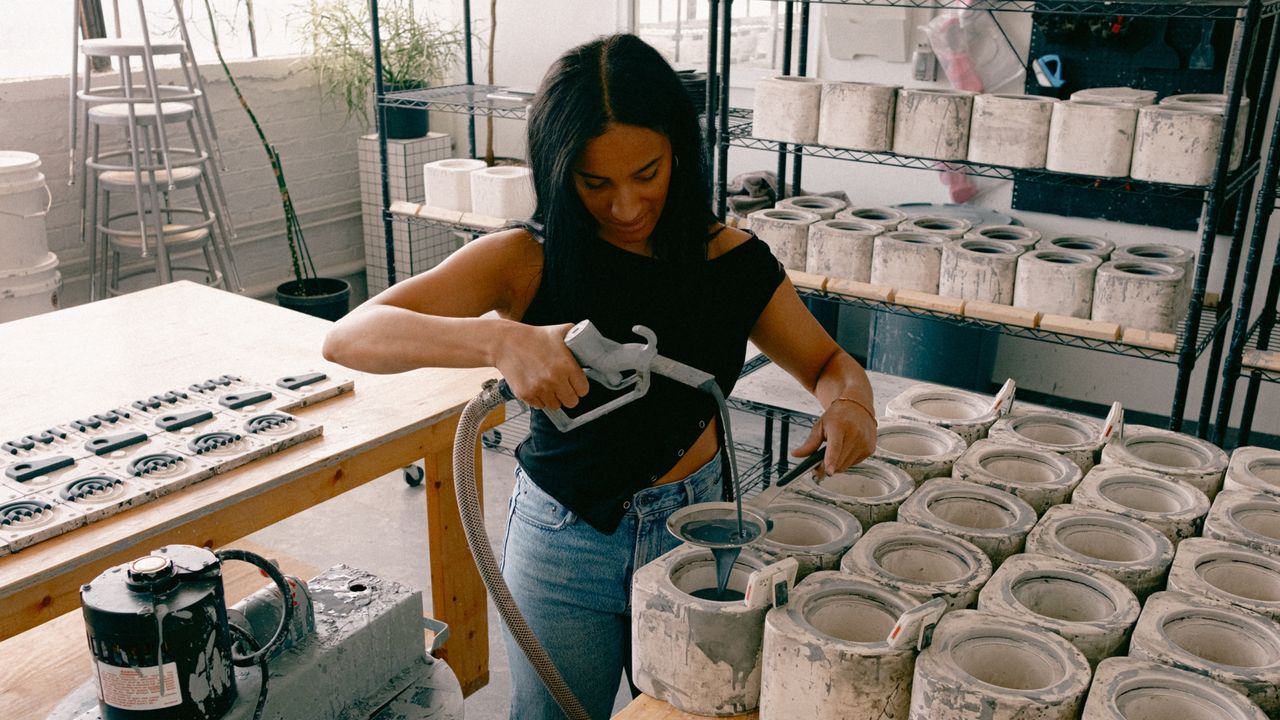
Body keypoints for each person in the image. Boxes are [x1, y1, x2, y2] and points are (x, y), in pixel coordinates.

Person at [322, 33, 877, 720]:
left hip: (700, 535)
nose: (623, 206)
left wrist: (852, 404)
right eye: (594, 183)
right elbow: (349, 337)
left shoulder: (732, 262)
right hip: (563, 545)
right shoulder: (526, 261)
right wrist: (498, 339)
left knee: (692, 713)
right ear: (559, 172)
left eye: (646, 173)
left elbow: (828, 364)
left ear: (680, 149)